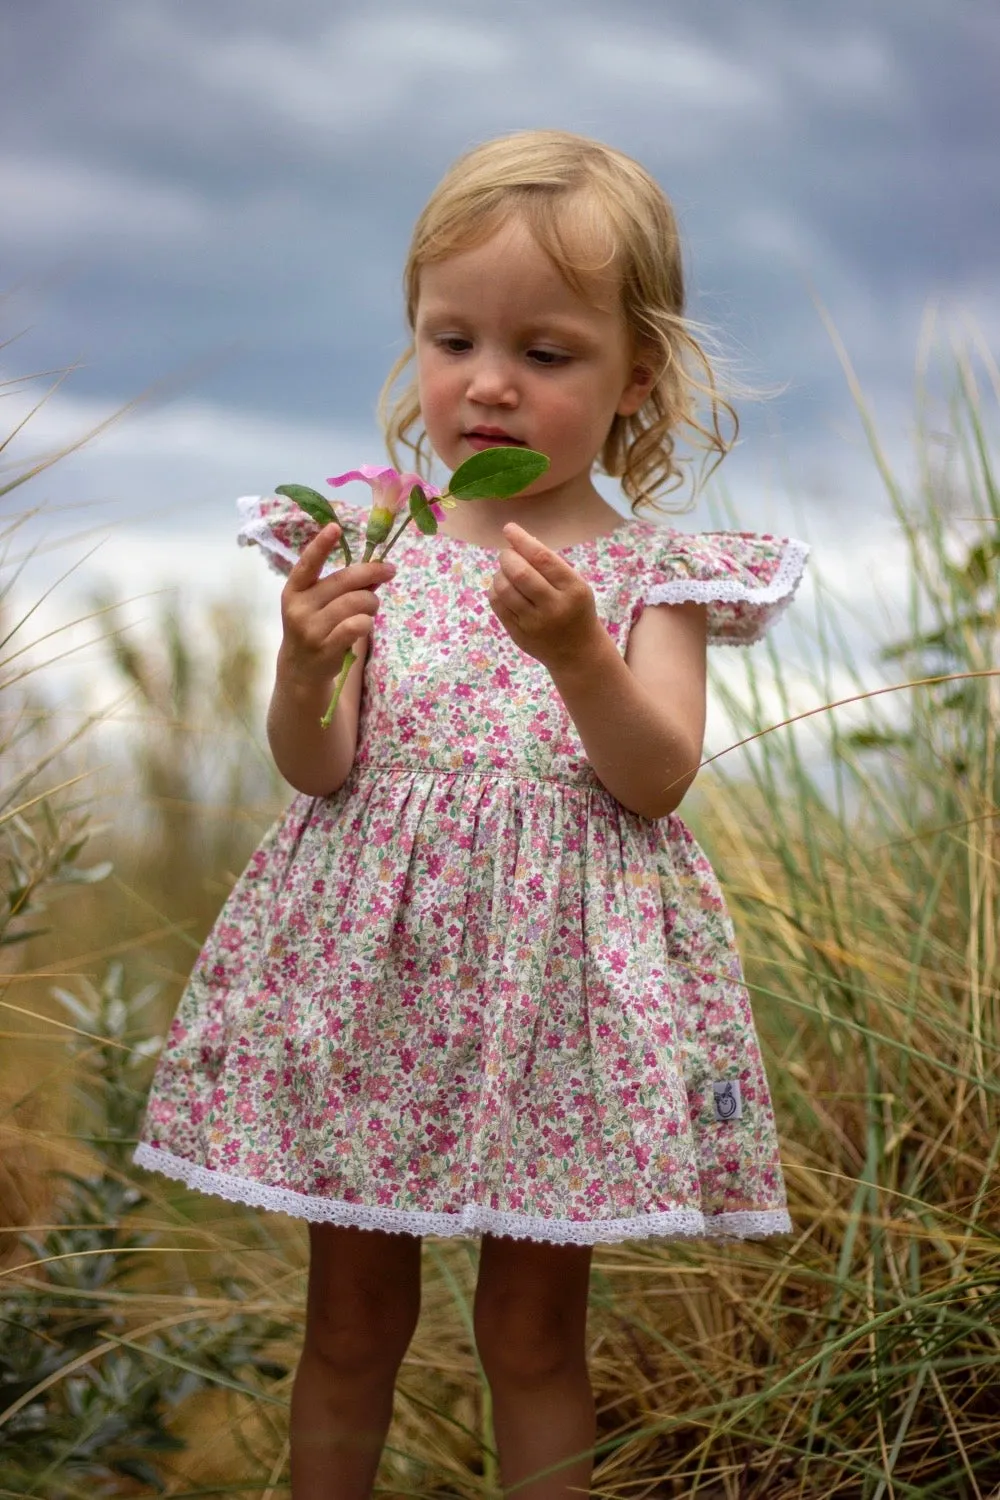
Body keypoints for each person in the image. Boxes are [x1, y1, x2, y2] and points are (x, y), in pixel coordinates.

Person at [134, 129, 810, 1499]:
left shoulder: (651, 574)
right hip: (373, 990)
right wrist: (306, 663)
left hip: (550, 1003)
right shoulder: (376, 542)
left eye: (545, 354)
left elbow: (657, 773)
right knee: (350, 1325)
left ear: (639, 379)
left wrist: (580, 656)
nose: (487, 384)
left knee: (531, 1333)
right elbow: (316, 772)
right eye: (452, 341)